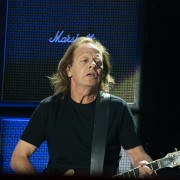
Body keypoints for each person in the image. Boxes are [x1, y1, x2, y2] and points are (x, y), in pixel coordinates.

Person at [10, 37, 155, 178]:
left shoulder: (117, 108)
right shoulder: (49, 108)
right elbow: (18, 157)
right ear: (69, 70)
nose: (93, 65)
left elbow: (138, 155)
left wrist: (145, 165)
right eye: (84, 60)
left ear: (102, 73)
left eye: (98, 62)